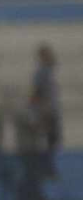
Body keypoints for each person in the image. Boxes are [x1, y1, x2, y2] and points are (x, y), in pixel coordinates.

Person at [33, 44, 60, 176]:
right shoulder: (42, 73)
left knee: (53, 140)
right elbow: (37, 93)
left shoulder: (49, 72)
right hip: (46, 112)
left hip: (51, 110)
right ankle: (46, 169)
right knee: (49, 140)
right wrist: (41, 112)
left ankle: (48, 167)